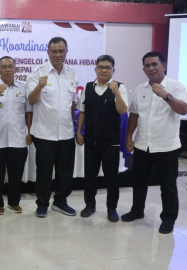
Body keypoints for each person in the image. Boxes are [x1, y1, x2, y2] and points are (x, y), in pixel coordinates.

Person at [121, 51, 187, 234]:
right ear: (144, 69)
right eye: (147, 66)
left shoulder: (175, 86)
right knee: (139, 180)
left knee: (168, 185)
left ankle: (168, 219)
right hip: (143, 144)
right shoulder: (141, 89)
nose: (151, 68)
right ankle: (137, 210)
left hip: (167, 146)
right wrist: (129, 136)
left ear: (163, 66)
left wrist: (166, 95)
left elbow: (183, 109)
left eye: (155, 64)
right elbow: (134, 114)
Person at [26, 37, 79, 218]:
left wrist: (73, 127)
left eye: (61, 51)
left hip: (65, 132)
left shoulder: (72, 73)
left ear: (66, 52)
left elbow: (72, 104)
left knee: (65, 172)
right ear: (47, 53)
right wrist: (39, 87)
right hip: (44, 133)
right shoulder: (37, 73)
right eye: (54, 51)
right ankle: (42, 203)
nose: (58, 55)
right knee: (44, 172)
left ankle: (60, 202)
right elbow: (31, 101)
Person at [76, 55, 128, 222]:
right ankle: (89, 205)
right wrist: (79, 132)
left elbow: (122, 111)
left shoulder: (120, 87)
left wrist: (116, 92)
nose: (104, 70)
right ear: (95, 69)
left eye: (107, 67)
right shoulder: (88, 87)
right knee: (90, 176)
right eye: (101, 67)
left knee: (112, 177)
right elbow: (82, 111)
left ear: (113, 70)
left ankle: (112, 208)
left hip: (111, 142)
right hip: (91, 140)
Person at [0, 56, 33, 215]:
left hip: (18, 138)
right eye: (4, 67)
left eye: (11, 66)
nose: (8, 70)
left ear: (16, 69)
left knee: (16, 174)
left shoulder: (24, 88)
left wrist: (30, 132)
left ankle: (14, 202)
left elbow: (29, 112)